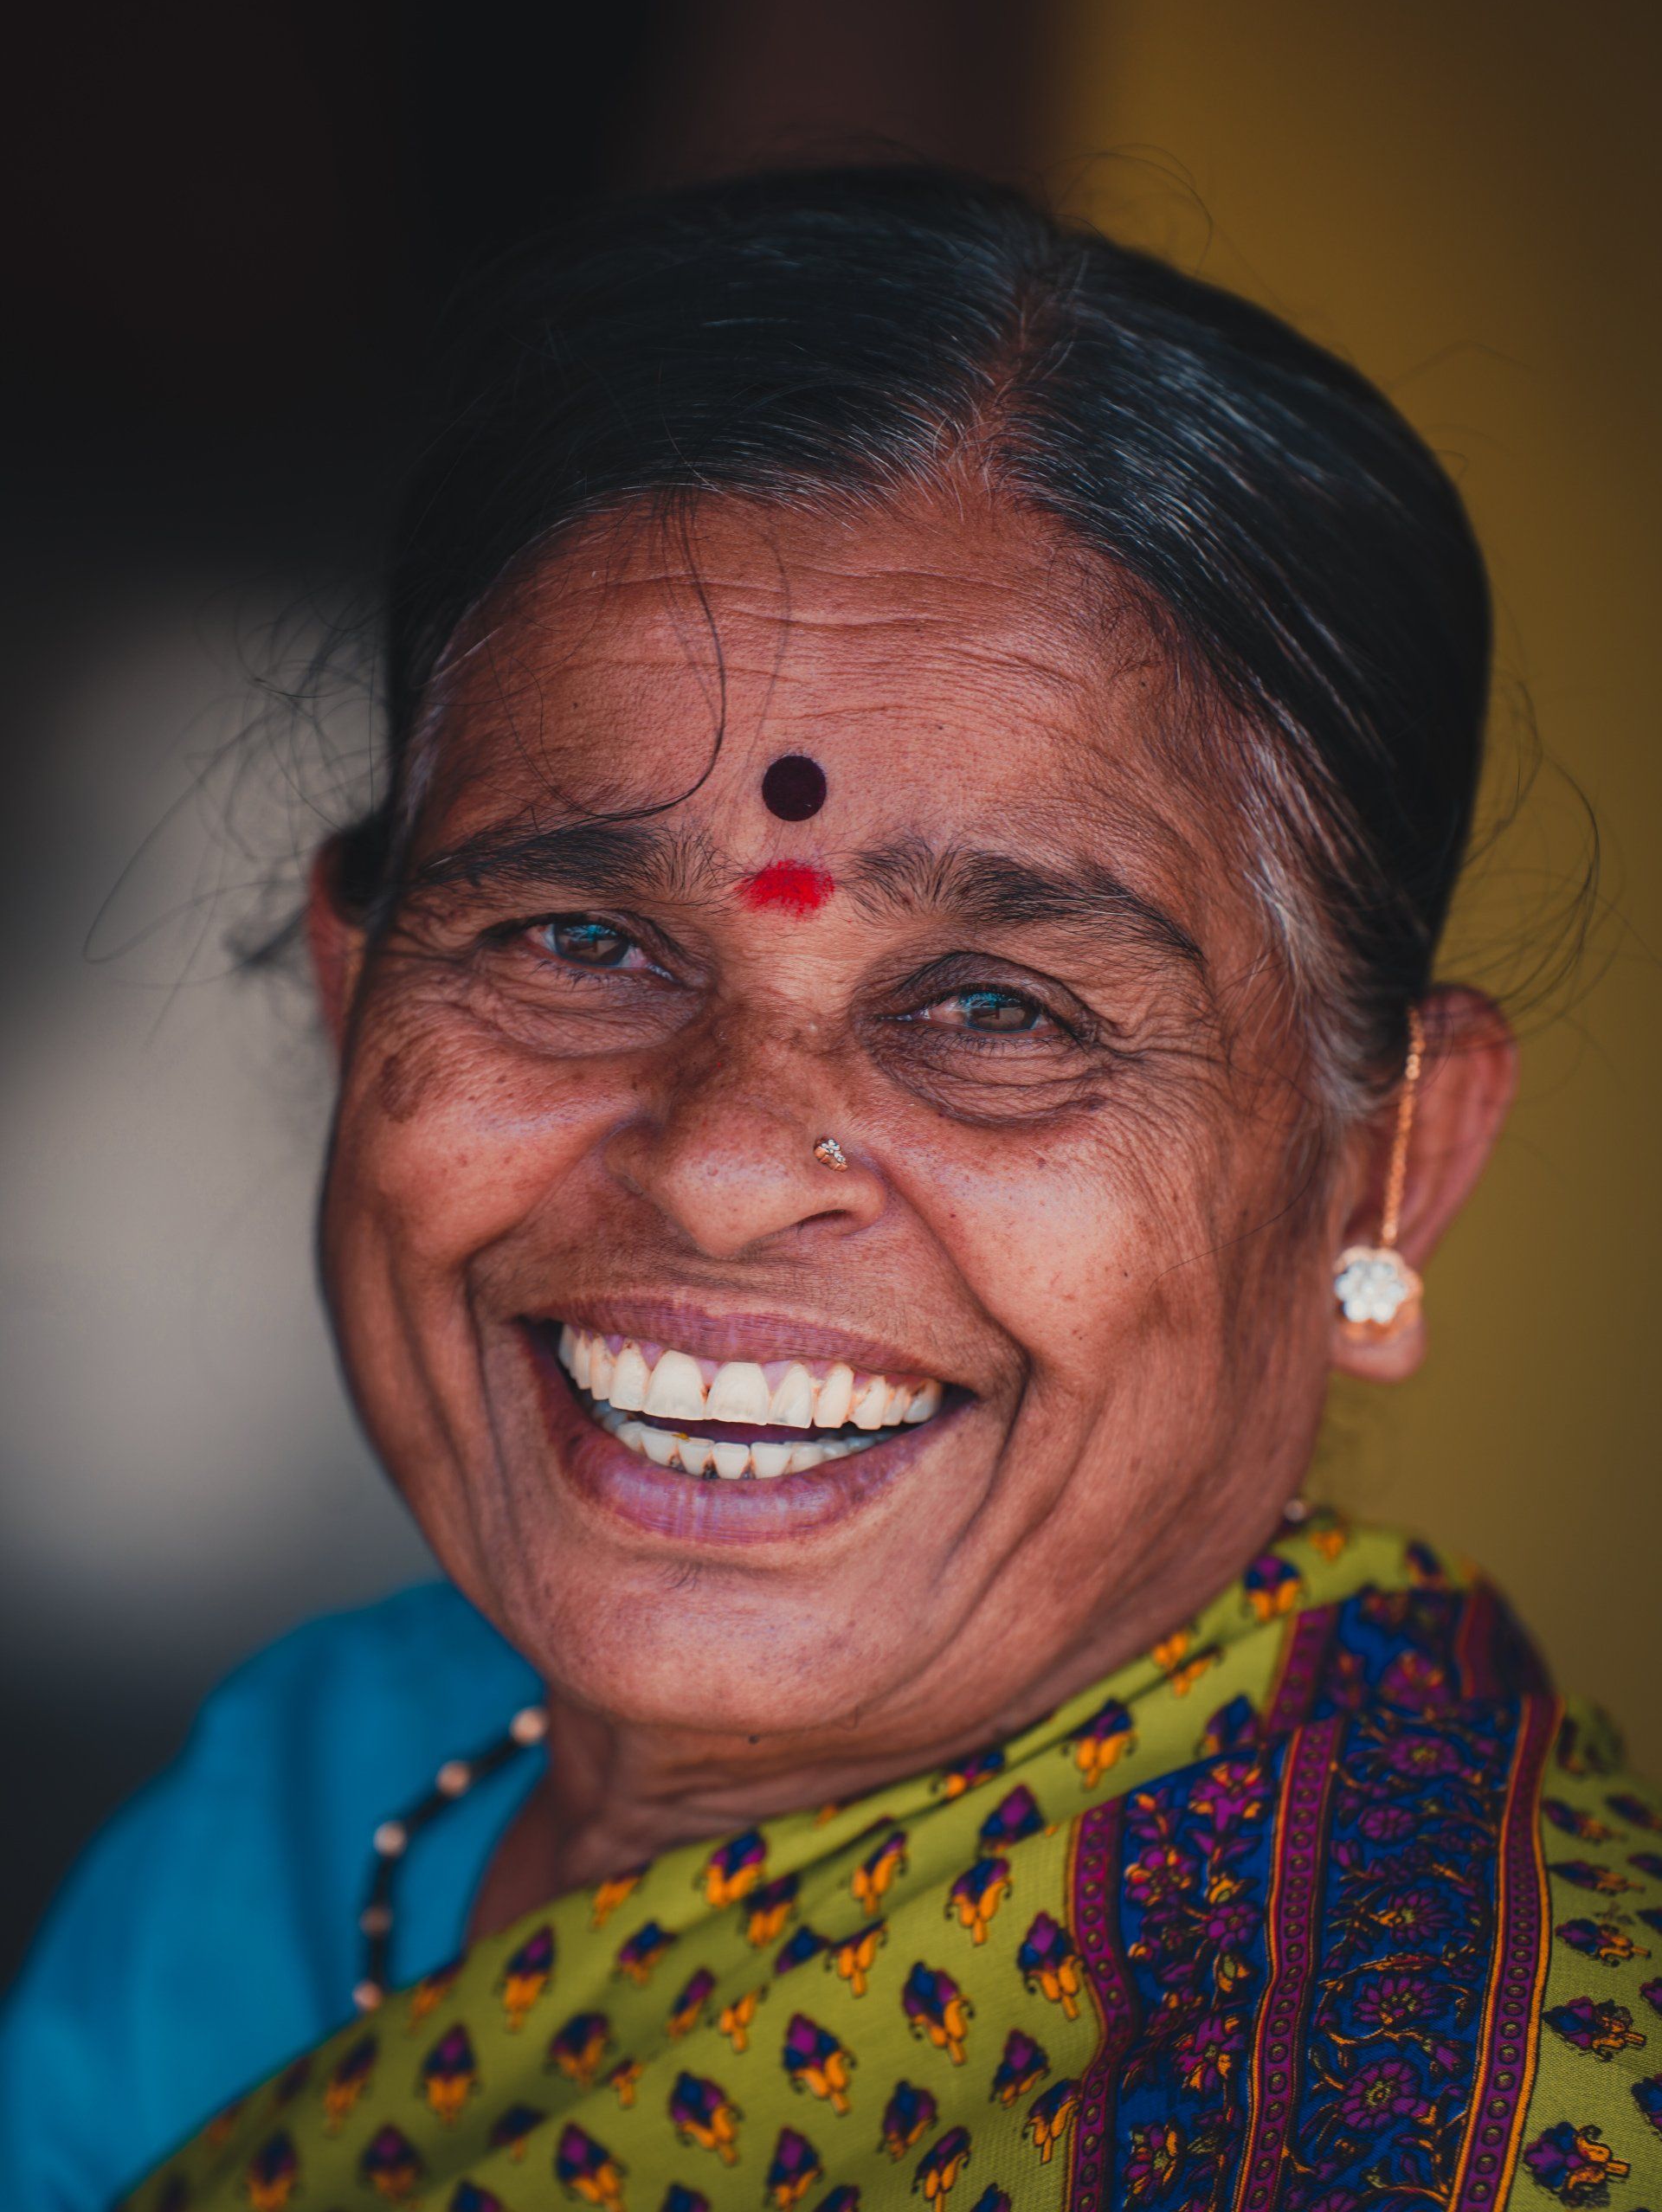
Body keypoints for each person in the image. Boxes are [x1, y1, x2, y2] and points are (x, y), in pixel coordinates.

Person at [3, 166, 1657, 2212]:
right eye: (579, 945)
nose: (715, 1169)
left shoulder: (1440, 2133)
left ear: (1389, 1157)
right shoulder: (319, 1786)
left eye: (996, 1006)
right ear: (354, 998)